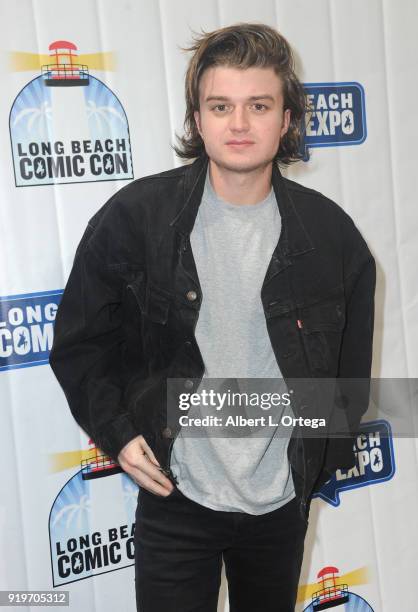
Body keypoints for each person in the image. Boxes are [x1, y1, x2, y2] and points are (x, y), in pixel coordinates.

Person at [49, 23, 376, 612]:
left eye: (259, 105)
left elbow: (348, 386)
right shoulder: (135, 219)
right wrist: (119, 434)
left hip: (279, 503)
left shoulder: (334, 240)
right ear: (197, 120)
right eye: (220, 106)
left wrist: (316, 464)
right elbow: (80, 344)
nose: (240, 123)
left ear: (287, 118)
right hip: (176, 495)